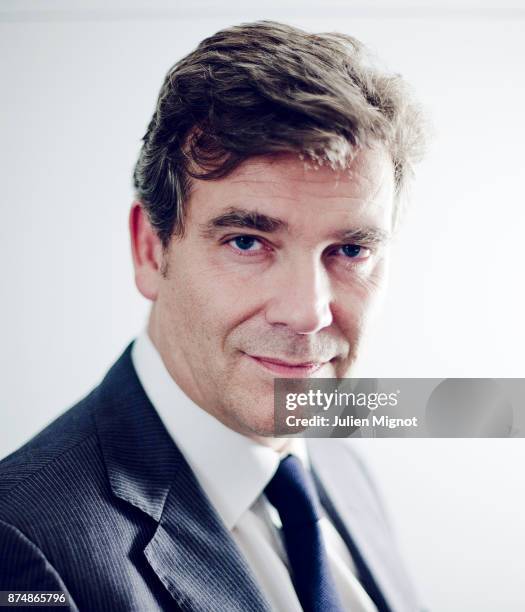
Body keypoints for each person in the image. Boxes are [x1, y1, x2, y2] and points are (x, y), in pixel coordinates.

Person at [0, 21, 426, 611]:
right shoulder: (23, 546)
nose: (307, 313)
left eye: (350, 250)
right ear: (151, 250)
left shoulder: (336, 456)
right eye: (248, 241)